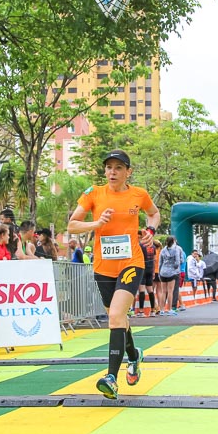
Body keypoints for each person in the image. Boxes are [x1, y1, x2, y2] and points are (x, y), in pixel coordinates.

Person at [68, 149, 159, 400]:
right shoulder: (93, 193)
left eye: (119, 168)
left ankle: (111, 378)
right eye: (109, 167)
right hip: (103, 267)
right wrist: (95, 224)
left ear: (128, 172)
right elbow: (72, 224)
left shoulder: (139, 194)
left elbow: (154, 213)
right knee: (117, 319)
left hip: (131, 263)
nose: (112, 172)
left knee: (117, 315)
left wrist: (150, 229)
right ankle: (134, 356)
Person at [156, 235, 184, 315]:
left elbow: (160, 262)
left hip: (163, 272)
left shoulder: (163, 250)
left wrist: (160, 271)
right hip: (172, 272)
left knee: (163, 291)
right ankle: (170, 309)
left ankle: (161, 310)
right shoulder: (176, 249)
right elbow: (178, 262)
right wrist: (174, 267)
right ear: (174, 241)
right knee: (170, 292)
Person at [137, 227, 157, 315]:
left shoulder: (141, 245)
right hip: (150, 269)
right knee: (150, 290)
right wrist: (153, 271)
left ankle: (141, 311)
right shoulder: (153, 246)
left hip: (142, 269)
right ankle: (153, 310)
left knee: (141, 290)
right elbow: (154, 259)